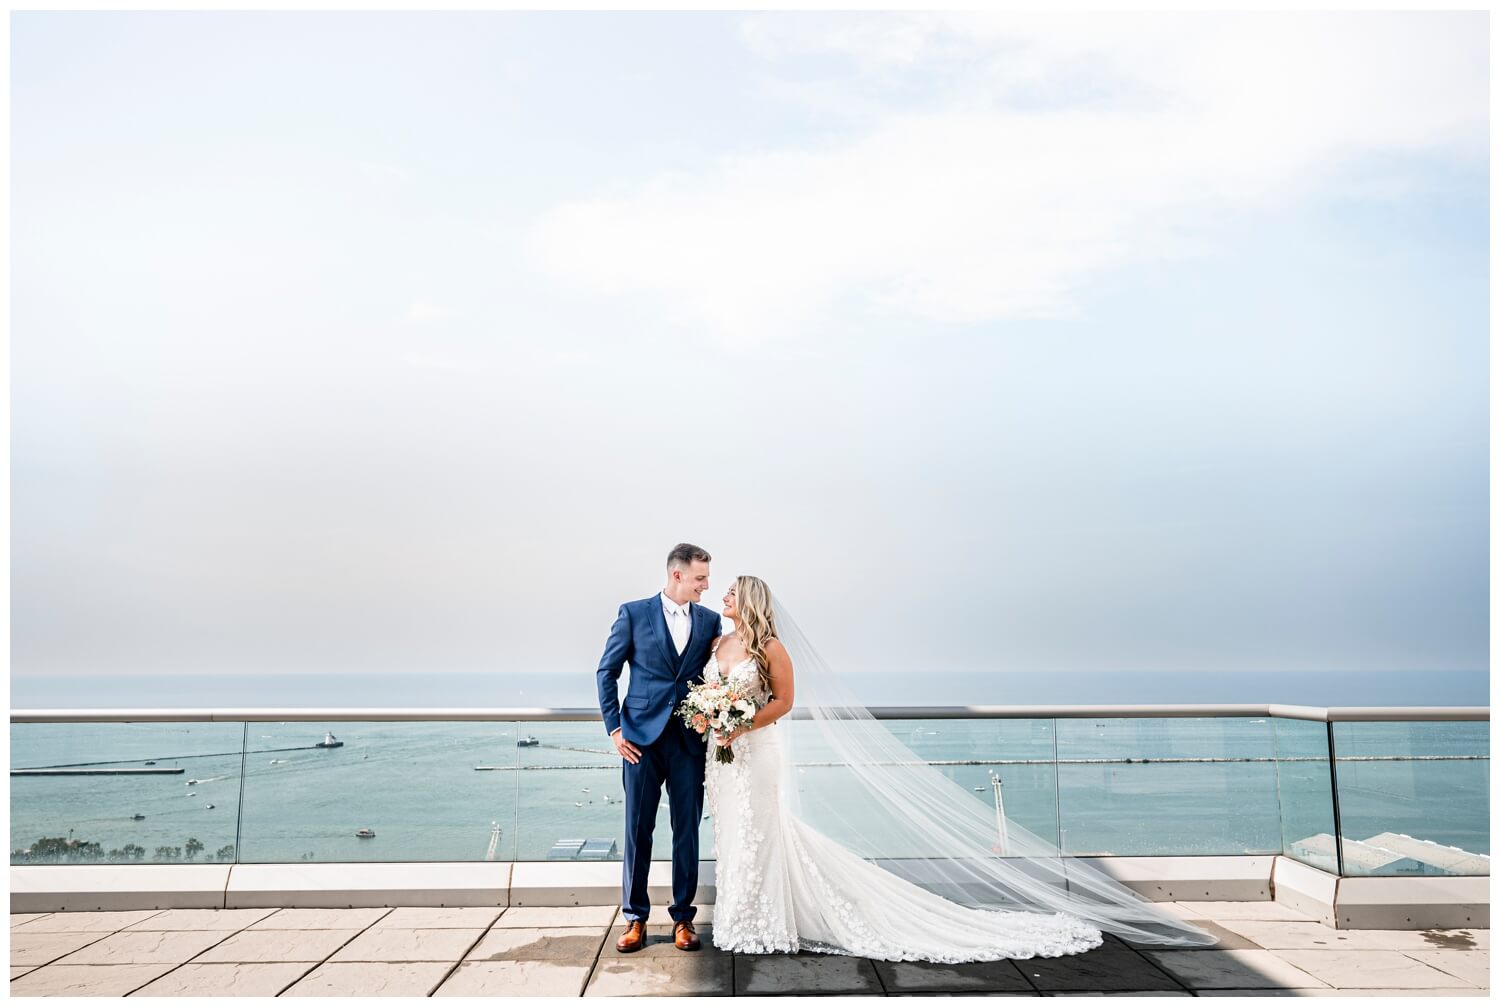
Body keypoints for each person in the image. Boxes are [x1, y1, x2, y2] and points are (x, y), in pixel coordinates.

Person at [700, 574, 1219, 961]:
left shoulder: (771, 648)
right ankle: (739, 916)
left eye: (728, 593)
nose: (721, 598)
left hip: (756, 750)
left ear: (748, 600)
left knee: (763, 832)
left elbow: (785, 702)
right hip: (722, 758)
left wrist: (741, 725)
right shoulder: (720, 643)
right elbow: (708, 689)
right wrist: (711, 716)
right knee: (734, 834)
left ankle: (762, 921)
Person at [595, 543, 721, 953]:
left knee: (687, 831)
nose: (706, 586)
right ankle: (635, 918)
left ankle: (683, 917)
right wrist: (615, 729)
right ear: (677, 574)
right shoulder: (633, 613)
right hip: (639, 743)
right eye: (700, 578)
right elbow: (607, 672)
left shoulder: (710, 622)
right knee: (637, 830)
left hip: (689, 742)